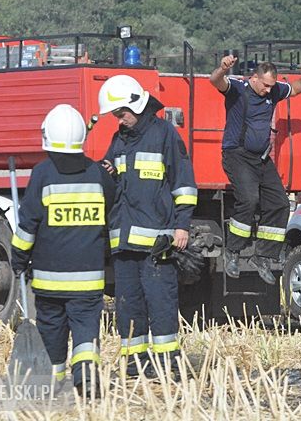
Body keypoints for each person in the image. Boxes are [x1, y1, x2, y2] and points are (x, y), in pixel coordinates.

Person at [11, 104, 115, 398]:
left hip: (49, 279)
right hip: (88, 279)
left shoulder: (42, 174)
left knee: (52, 330)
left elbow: (28, 224)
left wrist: (17, 258)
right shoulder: (97, 173)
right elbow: (114, 205)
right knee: (85, 332)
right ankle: (87, 378)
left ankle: (51, 380)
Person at [98, 74, 197, 379]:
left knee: (161, 302)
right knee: (127, 305)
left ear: (136, 104)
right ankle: (134, 362)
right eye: (116, 115)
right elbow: (113, 185)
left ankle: (168, 363)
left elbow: (183, 183)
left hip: (157, 242)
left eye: (121, 113)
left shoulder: (164, 134)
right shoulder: (118, 140)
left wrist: (182, 227)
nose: (119, 119)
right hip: (124, 241)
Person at [210, 55, 301, 285]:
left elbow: (296, 89)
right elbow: (215, 81)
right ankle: (233, 252)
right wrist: (222, 68)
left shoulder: (274, 90)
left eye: (271, 86)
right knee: (249, 199)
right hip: (236, 155)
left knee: (280, 203)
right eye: (265, 85)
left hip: (261, 159)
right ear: (254, 78)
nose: (268, 90)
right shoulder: (237, 88)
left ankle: (263, 257)